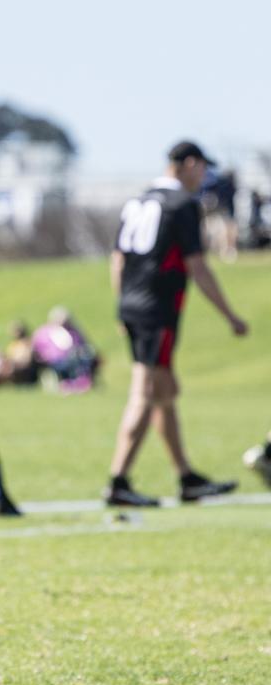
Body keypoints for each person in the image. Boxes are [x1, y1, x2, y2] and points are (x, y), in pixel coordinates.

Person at [105, 141, 248, 507]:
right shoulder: (183, 204)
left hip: (134, 306)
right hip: (159, 309)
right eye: (202, 168)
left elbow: (118, 260)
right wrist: (230, 316)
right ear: (189, 164)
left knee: (166, 393)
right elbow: (197, 267)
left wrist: (122, 306)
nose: (203, 177)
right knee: (146, 392)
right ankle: (118, 481)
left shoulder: (139, 200)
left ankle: (187, 477)